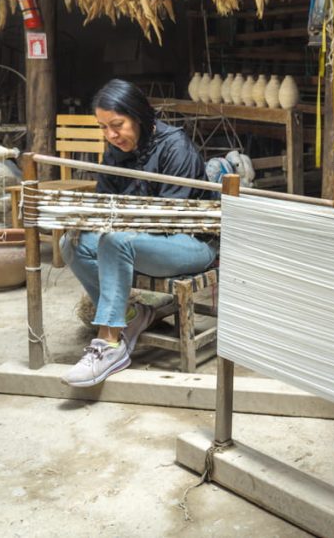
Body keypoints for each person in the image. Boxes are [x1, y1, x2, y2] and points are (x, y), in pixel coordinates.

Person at [60, 79, 217, 387]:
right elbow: (107, 204)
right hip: (138, 240)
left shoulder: (175, 146)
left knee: (116, 240)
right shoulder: (115, 150)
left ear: (139, 116)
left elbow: (169, 220)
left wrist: (116, 224)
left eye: (117, 125)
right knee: (73, 243)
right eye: (103, 128)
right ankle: (132, 314)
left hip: (192, 243)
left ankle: (110, 345)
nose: (111, 135)